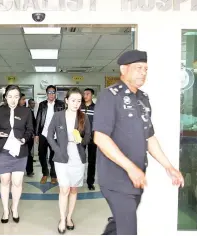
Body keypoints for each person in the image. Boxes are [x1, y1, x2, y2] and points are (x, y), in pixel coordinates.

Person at [93, 50, 184, 235]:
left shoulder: (143, 99)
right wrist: (130, 168)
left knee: (119, 225)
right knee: (128, 230)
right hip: (116, 178)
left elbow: (149, 137)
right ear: (124, 69)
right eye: (138, 68)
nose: (143, 72)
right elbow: (100, 138)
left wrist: (169, 166)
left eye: (145, 69)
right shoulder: (110, 96)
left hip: (136, 178)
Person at [47, 87, 91, 234]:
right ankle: (62, 218)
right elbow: (49, 134)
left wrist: (81, 140)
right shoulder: (58, 116)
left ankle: (69, 217)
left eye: (79, 101)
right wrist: (56, 149)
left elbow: (88, 137)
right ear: (66, 101)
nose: (76, 103)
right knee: (64, 189)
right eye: (73, 100)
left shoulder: (83, 118)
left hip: (78, 158)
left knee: (73, 189)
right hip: (61, 158)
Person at [0, 85, 33, 224]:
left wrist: (24, 139)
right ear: (5, 97)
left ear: (20, 97)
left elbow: (29, 130)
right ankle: (5, 210)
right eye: (10, 96)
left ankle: (14, 208)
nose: (13, 100)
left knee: (17, 182)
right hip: (3, 151)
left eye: (16, 96)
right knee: (4, 181)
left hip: (20, 152)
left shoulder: (26, 111)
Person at [35, 85, 66, 184]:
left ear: (55, 93)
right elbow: (38, 119)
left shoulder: (61, 104)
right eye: (49, 92)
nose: (51, 94)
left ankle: (53, 175)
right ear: (46, 94)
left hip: (56, 135)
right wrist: (36, 134)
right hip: (44, 134)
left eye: (53, 92)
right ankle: (45, 173)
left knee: (54, 155)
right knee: (41, 154)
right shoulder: (42, 104)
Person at [81, 88, 97, 190]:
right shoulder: (79, 107)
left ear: (92, 96)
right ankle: (78, 179)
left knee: (92, 161)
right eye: (84, 94)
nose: (85, 95)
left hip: (92, 137)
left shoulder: (97, 108)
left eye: (88, 94)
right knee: (79, 159)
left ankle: (90, 182)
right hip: (80, 137)